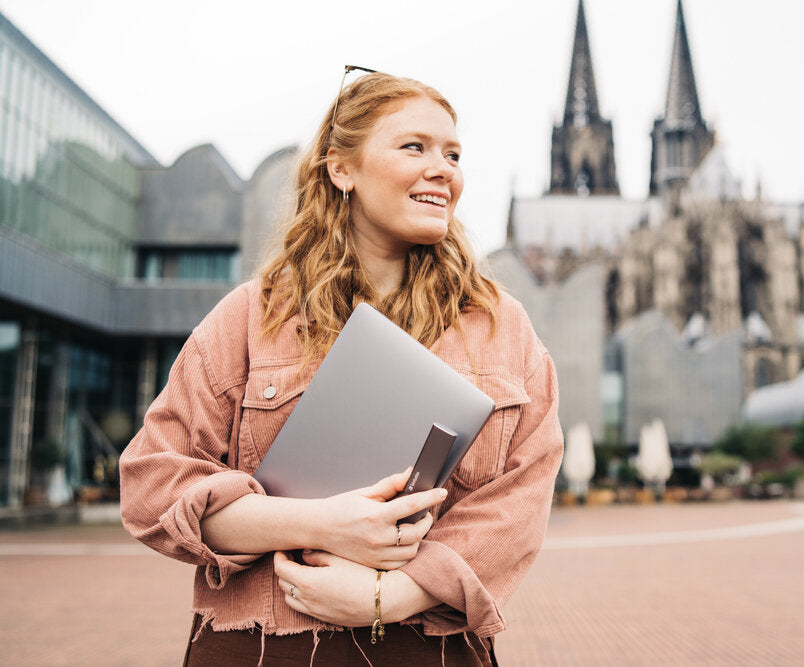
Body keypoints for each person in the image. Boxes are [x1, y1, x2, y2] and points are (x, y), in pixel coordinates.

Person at [119, 70, 563, 666]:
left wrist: (391, 594)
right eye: (415, 147)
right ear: (341, 168)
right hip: (261, 647)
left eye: (453, 153)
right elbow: (150, 486)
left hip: (429, 648)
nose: (444, 169)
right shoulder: (252, 317)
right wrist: (321, 524)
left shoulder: (501, 326)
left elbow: (520, 501)